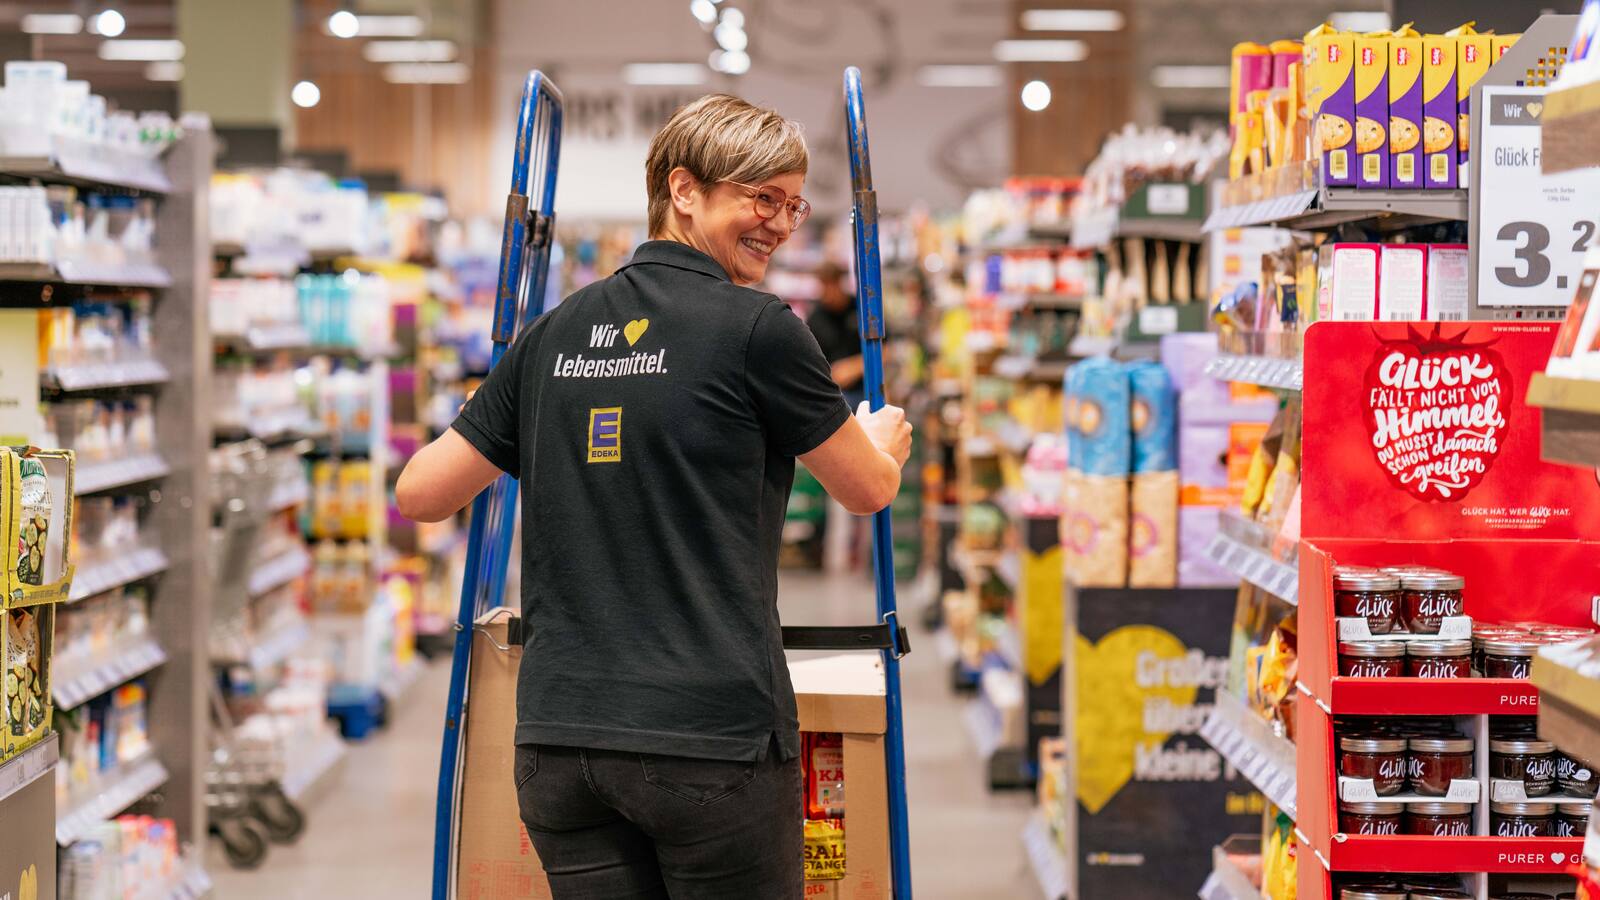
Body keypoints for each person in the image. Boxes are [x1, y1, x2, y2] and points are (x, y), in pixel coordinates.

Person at [395, 93, 913, 900]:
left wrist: (519, 421)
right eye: (759, 198)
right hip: (709, 740)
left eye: (791, 203)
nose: (779, 224)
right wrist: (881, 443)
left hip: (560, 744)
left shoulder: (554, 332)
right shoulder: (760, 328)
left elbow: (422, 491)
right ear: (683, 191)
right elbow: (867, 489)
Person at [804, 260, 865, 407]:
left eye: (830, 285)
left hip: (865, 389)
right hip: (831, 393)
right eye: (823, 286)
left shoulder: (861, 307)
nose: (827, 293)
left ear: (840, 283)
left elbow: (886, 349)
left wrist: (854, 367)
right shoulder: (815, 318)